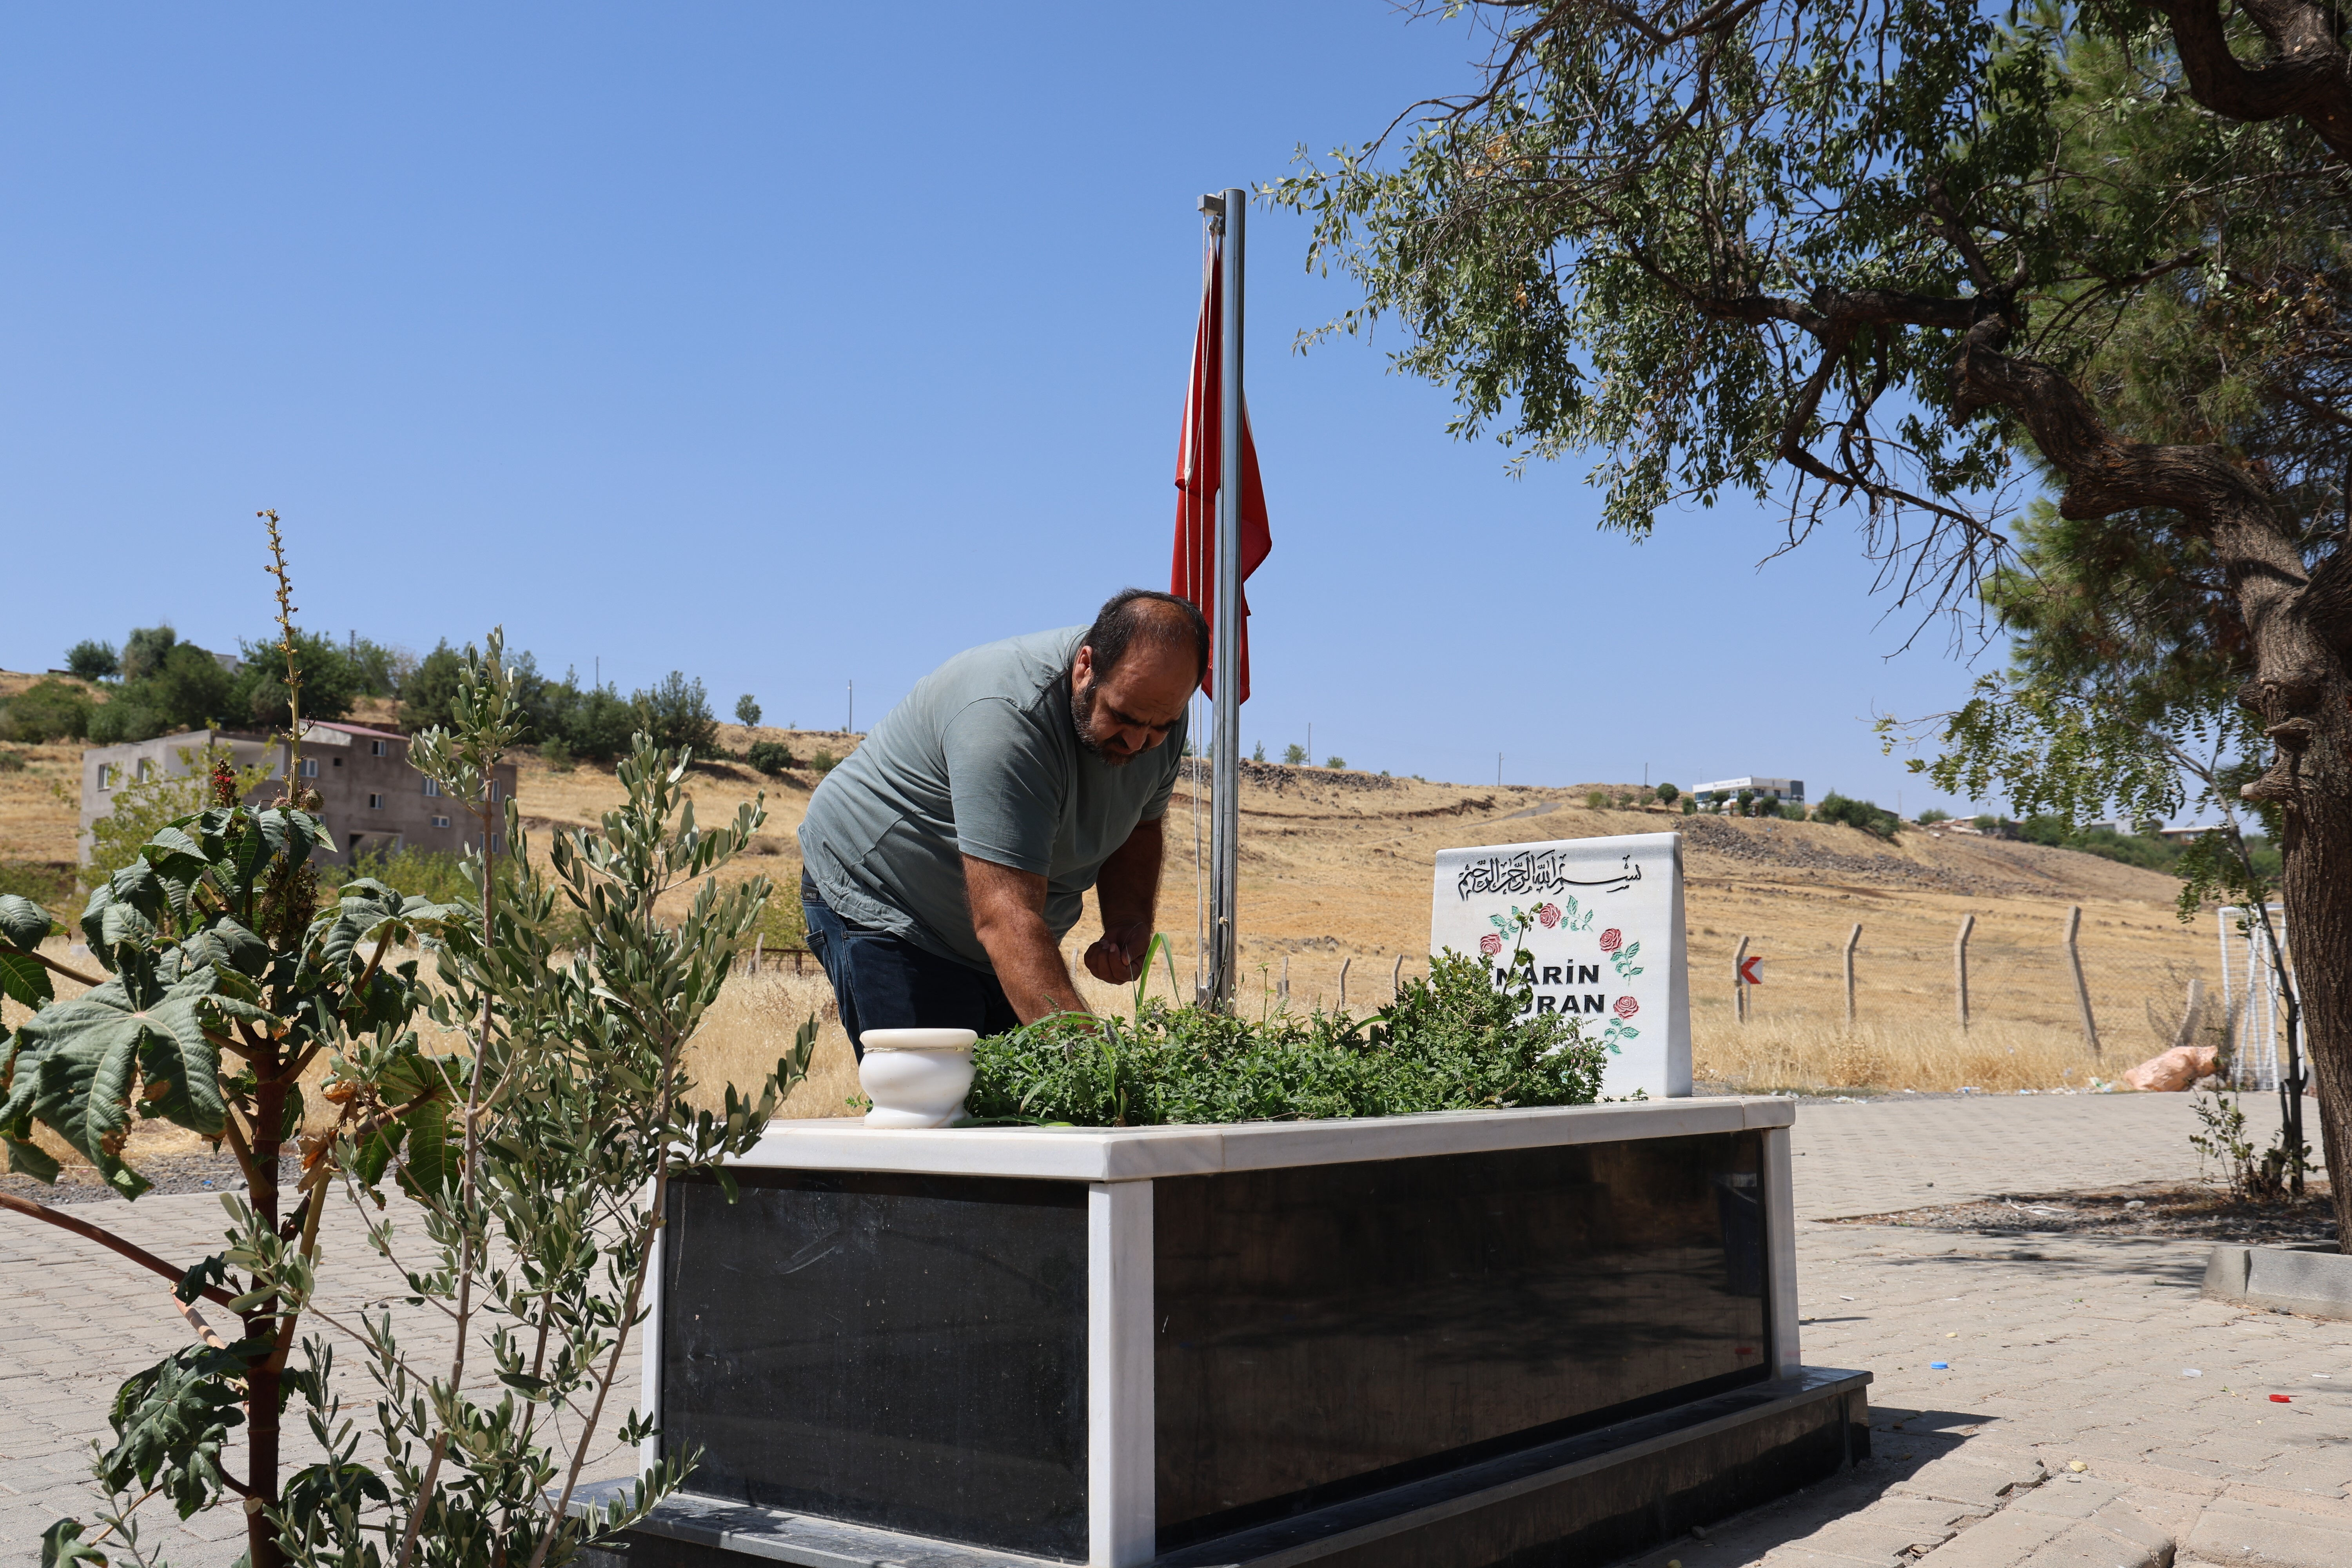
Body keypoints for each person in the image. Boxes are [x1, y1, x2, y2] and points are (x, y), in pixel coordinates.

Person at [797, 588, 1203, 1051]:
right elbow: (1005, 916)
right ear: (1085, 666)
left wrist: (1128, 920)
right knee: (935, 1103)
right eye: (1122, 717)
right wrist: (1097, 1065)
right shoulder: (1006, 719)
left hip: (1007, 931)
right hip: (891, 900)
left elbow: (1142, 824)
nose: (1137, 742)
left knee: (1022, 1111)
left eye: (1159, 727)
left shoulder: (1157, 702)